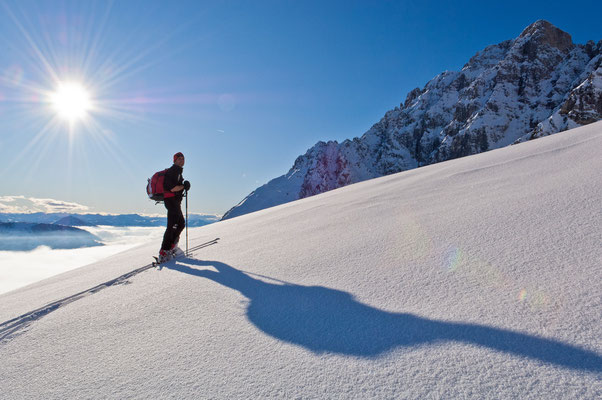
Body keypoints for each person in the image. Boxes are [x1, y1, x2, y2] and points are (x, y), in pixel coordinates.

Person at [159, 152, 190, 262]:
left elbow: (176, 187)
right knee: (172, 225)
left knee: (180, 223)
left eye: (183, 158)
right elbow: (172, 188)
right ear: (175, 160)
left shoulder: (178, 172)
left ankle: (172, 247)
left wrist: (183, 186)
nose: (182, 160)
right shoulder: (173, 171)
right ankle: (164, 251)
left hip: (175, 202)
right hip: (171, 201)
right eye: (179, 159)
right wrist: (183, 186)